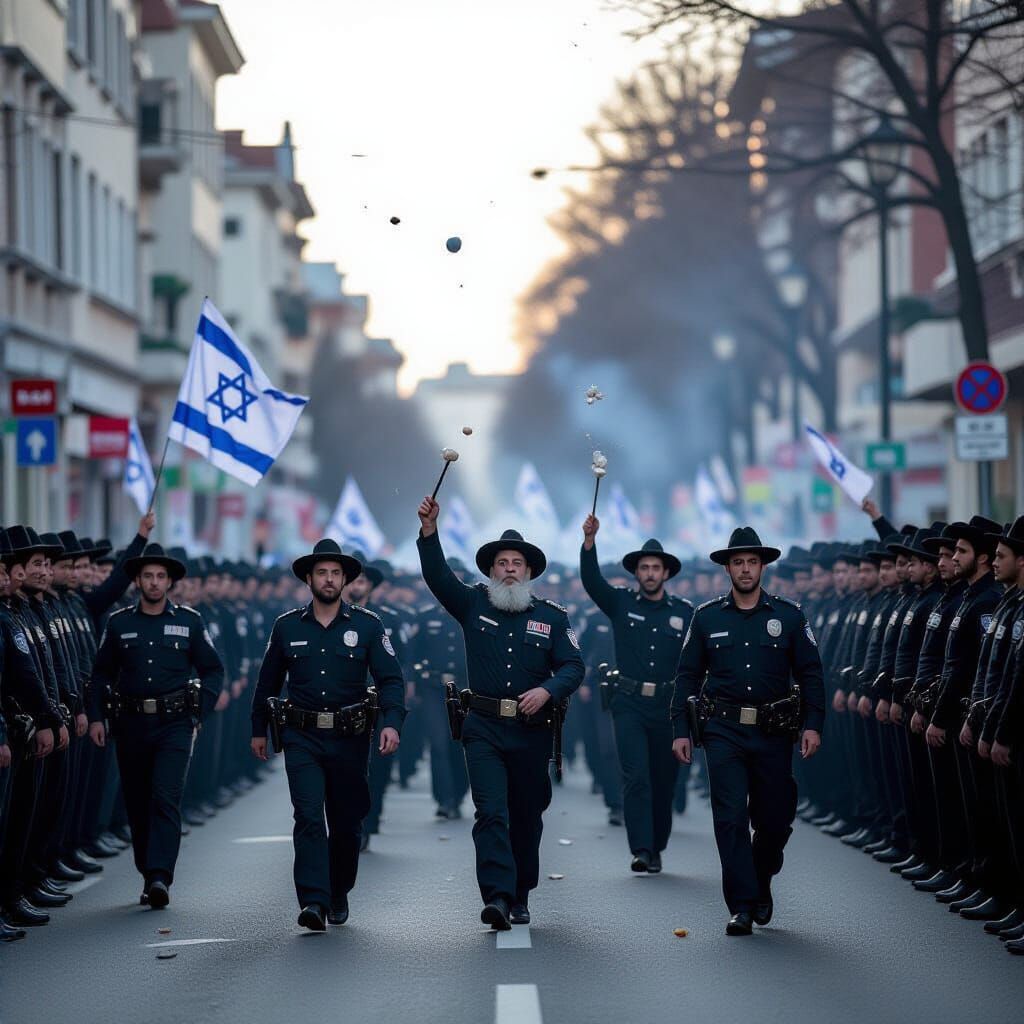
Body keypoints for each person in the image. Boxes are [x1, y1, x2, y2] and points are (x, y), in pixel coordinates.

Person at [416, 496, 584, 931]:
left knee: (527, 814)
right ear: (491, 570)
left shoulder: (551, 617)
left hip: (531, 730)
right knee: (490, 812)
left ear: (529, 571)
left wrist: (547, 691)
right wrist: (430, 532)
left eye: (517, 562)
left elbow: (573, 666)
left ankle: (521, 891)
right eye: (502, 562)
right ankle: (496, 896)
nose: (509, 568)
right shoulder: (473, 605)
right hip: (484, 727)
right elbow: (437, 577)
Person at [671, 526, 825, 936]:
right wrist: (680, 730)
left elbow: (811, 673)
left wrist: (814, 724)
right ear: (727, 568)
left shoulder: (789, 616)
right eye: (737, 562)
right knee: (731, 818)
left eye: (751, 562)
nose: (744, 569)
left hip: (774, 731)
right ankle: (741, 904)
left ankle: (761, 880)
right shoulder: (705, 617)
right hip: (724, 731)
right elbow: (686, 677)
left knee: (775, 820)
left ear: (763, 567)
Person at [250, 539, 406, 932]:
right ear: (309, 578)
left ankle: (338, 891)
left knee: (347, 820)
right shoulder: (286, 626)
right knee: (307, 816)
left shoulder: (368, 625)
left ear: (346, 580)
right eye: (322, 572)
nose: (330, 579)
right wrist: (258, 730)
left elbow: (391, 679)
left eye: (336, 573)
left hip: (350, 737)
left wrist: (391, 722)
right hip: (301, 736)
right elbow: (267, 681)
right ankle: (314, 901)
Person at [87, 543, 224, 909]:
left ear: (170, 582)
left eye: (160, 576)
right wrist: (97, 716)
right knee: (137, 801)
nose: (154, 582)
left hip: (175, 724)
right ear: (137, 580)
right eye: (147, 575)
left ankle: (161, 875)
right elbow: (101, 673)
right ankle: (148, 871)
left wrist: (200, 712)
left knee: (165, 797)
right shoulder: (119, 623)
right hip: (130, 723)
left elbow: (213, 669)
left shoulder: (190, 621)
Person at [579, 517, 692, 873]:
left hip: (668, 706)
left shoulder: (684, 613)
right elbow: (592, 582)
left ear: (666, 573)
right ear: (636, 573)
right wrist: (589, 543)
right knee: (636, 776)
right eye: (644, 568)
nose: (650, 573)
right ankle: (641, 849)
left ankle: (657, 845)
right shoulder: (621, 604)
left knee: (663, 780)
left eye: (656, 567)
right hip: (628, 703)